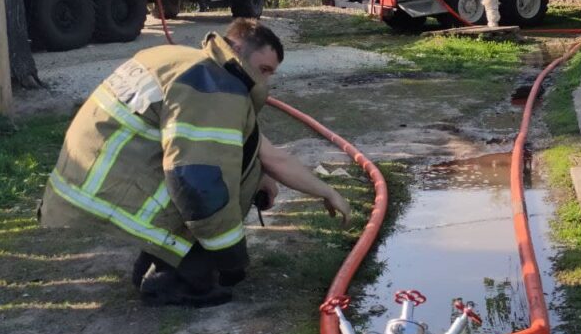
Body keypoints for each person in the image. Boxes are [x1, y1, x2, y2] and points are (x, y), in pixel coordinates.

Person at [39, 18, 352, 307]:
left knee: (233, 175)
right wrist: (231, 258)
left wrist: (324, 191)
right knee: (206, 272)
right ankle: (171, 281)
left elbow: (267, 154)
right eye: (264, 69)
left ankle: (156, 264)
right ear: (239, 50)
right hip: (110, 185)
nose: (264, 81)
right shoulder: (211, 85)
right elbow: (197, 181)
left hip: (89, 170)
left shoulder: (187, 62)